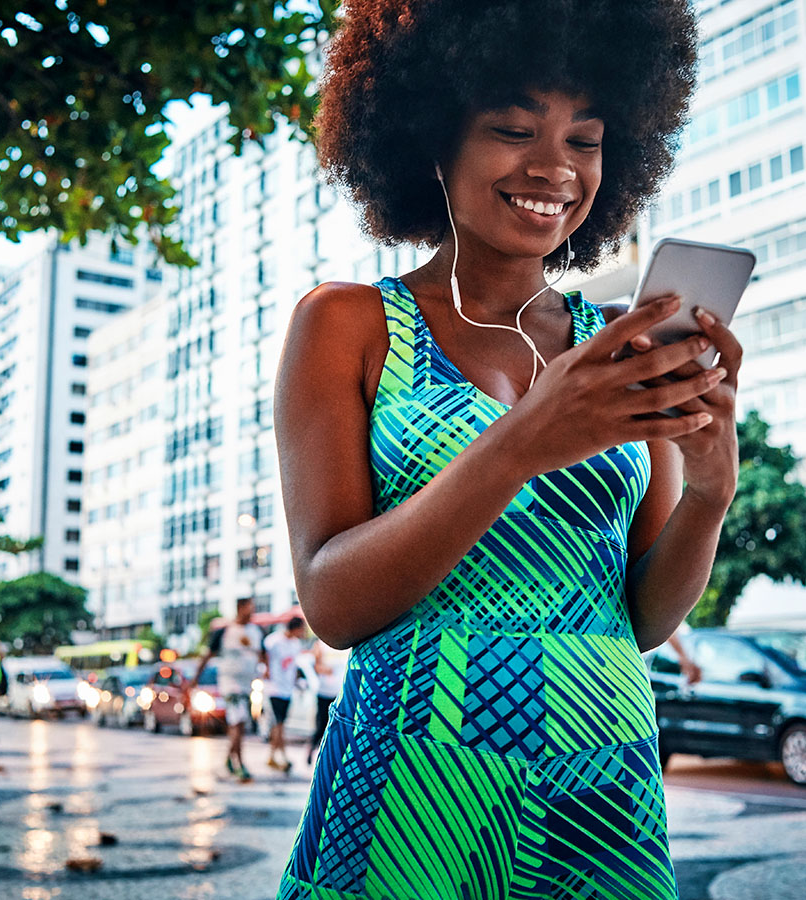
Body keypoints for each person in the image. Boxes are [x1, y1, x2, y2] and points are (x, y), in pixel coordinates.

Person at [274, 2, 739, 898]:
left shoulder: (619, 343)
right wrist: (523, 442)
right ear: (430, 137)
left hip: (601, 781)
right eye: (514, 128)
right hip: (418, 782)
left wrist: (710, 497)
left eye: (587, 139)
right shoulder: (346, 322)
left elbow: (637, 620)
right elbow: (333, 601)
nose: (555, 168)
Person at [192, 597, 265, 782]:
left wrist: (267, 672)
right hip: (229, 684)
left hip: (247, 684)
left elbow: (263, 655)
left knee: (239, 723)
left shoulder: (256, 632)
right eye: (250, 608)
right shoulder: (224, 632)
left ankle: (229, 761)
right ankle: (240, 764)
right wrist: (195, 679)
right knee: (238, 721)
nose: (252, 612)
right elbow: (207, 656)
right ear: (240, 608)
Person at [263, 616, 307, 772]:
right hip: (275, 688)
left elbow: (294, 666)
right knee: (279, 724)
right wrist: (266, 670)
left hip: (287, 689)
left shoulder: (295, 645)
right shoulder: (274, 641)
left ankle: (273, 756)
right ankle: (283, 757)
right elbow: (263, 656)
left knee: (279, 724)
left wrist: (298, 682)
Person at [306, 638, 349, 766]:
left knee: (338, 727)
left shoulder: (347, 642)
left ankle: (332, 758)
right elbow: (316, 666)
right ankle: (311, 750)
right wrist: (325, 670)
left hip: (341, 691)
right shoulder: (320, 644)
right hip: (324, 691)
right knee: (322, 726)